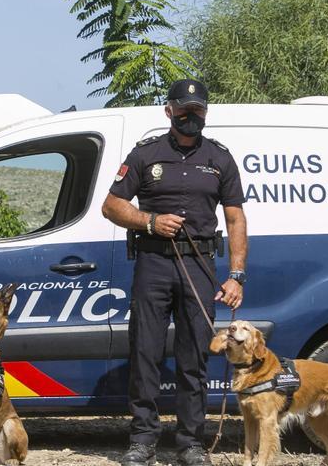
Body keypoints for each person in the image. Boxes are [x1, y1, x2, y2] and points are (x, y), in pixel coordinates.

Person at [102, 79, 248, 466]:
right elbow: (112, 206)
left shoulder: (220, 158)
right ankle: (143, 440)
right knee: (145, 352)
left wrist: (236, 274)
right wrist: (149, 221)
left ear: (205, 112)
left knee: (194, 357)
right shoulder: (145, 153)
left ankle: (191, 443)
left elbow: (235, 218)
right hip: (153, 263)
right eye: (183, 110)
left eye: (197, 110)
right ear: (168, 111)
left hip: (199, 265)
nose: (190, 116)